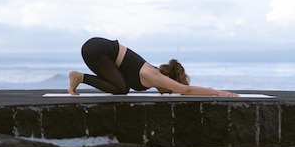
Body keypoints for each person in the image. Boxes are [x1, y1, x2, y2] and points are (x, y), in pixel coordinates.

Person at [68, 37, 238, 97]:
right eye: (171, 88)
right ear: (168, 80)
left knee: (122, 86)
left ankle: (80, 77)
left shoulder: (152, 74)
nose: (170, 92)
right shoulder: (154, 76)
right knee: (122, 88)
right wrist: (217, 92)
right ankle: (79, 77)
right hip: (97, 49)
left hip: (99, 52)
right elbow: (186, 91)